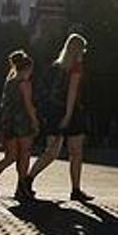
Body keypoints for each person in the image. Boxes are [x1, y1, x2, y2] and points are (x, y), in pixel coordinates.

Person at [25, 33, 92, 202]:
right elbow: (72, 92)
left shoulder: (56, 66)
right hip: (72, 113)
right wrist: (69, 115)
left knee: (51, 153)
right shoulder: (76, 67)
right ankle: (75, 190)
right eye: (82, 49)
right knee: (76, 153)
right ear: (78, 50)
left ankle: (28, 179)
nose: (83, 53)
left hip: (54, 113)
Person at [0, 50, 39, 202]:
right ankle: (21, 189)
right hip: (22, 123)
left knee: (10, 156)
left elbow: (4, 105)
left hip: (8, 123)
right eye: (31, 70)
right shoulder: (25, 83)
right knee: (24, 154)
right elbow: (28, 105)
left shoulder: (9, 82)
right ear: (27, 69)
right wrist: (35, 122)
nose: (31, 73)